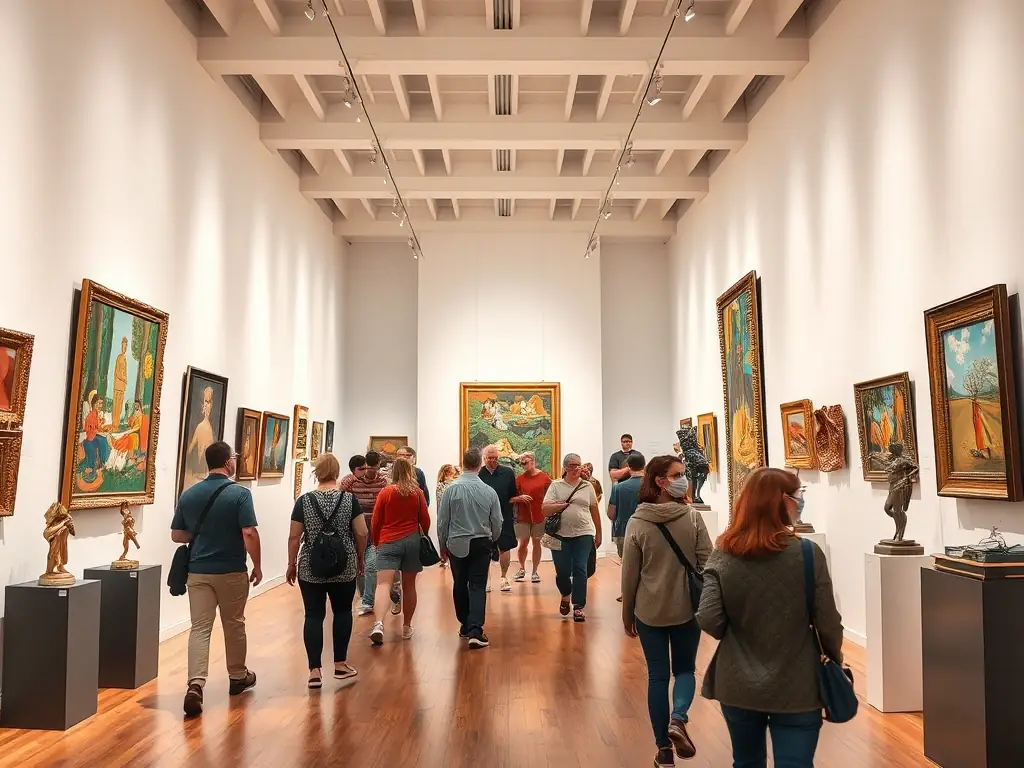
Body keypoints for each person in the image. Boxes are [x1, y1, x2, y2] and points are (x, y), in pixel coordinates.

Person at [696, 467, 845, 768]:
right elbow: (828, 620)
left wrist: (741, 628)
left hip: (737, 679)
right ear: (783, 502)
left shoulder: (723, 553)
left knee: (747, 761)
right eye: (798, 494)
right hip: (798, 680)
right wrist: (834, 657)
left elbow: (709, 617)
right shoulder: (807, 553)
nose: (801, 501)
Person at [621, 455, 713, 766]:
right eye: (678, 474)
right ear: (661, 481)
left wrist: (627, 614)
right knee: (685, 669)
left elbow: (630, 575)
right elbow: (707, 563)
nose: (684, 479)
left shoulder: (637, 522)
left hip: (649, 611)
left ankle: (663, 750)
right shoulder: (692, 518)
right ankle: (678, 718)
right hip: (688, 607)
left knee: (658, 677)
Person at [170, 441, 261, 717]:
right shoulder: (240, 494)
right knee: (234, 624)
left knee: (200, 628)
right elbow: (249, 533)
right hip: (231, 571)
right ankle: (237, 676)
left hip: (198, 572)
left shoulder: (189, 494)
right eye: (233, 457)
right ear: (228, 462)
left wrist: (203, 535)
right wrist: (257, 564)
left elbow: (177, 535)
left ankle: (195, 685)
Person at [286, 453, 367, 688]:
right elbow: (361, 532)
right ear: (337, 472)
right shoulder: (348, 500)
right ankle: (340, 664)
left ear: (316, 472)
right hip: (344, 565)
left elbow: (294, 536)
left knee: (313, 615)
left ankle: (314, 671)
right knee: (342, 612)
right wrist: (360, 557)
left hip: (311, 566)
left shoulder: (304, 500)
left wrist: (291, 563)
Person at [438, 448, 503, 648]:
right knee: (477, 585)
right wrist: (493, 539)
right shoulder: (489, 491)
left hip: (457, 542)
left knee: (459, 584)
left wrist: (442, 545)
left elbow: (442, 522)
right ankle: (476, 630)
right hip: (481, 541)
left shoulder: (451, 490)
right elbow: (497, 521)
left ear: (463, 463)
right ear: (479, 465)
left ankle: (464, 625)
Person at [368, 458, 431, 645]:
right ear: (411, 472)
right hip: (412, 541)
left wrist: (377, 542)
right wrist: (423, 536)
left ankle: (379, 623)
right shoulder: (417, 493)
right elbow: (425, 520)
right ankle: (407, 626)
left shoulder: (386, 492)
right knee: (409, 586)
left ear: (393, 472)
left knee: (383, 585)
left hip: (388, 541)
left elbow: (376, 521)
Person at [542, 453, 602, 622]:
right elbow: (545, 510)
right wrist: (561, 505)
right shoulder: (556, 486)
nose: (576, 468)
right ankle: (565, 595)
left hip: (583, 533)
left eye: (578, 465)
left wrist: (599, 532)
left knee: (580, 569)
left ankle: (578, 606)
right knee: (562, 572)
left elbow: (594, 510)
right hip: (560, 535)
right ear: (566, 467)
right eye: (573, 465)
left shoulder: (587, 486)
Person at [339, 451, 389, 616]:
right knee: (358, 565)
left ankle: (368, 600)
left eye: (376, 469)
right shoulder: (351, 481)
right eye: (370, 469)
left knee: (372, 565)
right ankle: (363, 597)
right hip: (357, 528)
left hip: (376, 528)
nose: (373, 473)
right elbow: (339, 495)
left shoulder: (383, 481)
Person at [479, 444, 518, 593]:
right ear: (484, 458)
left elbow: (513, 495)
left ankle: (503, 577)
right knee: (485, 550)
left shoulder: (507, 472)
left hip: (504, 517)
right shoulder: (478, 475)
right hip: (483, 519)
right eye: (490, 458)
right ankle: (486, 580)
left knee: (505, 547)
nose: (493, 461)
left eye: (495, 458)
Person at [511, 452, 551, 583]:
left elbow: (551, 494)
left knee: (536, 541)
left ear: (533, 461)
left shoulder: (544, 477)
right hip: (523, 516)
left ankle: (535, 571)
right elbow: (511, 497)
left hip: (539, 515)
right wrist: (519, 498)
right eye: (521, 463)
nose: (523, 465)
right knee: (523, 543)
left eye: (525, 462)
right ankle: (522, 568)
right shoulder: (519, 479)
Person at [609, 453, 645, 561]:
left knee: (627, 568)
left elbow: (611, 514)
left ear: (628, 466)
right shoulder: (651, 486)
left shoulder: (618, 488)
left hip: (623, 531)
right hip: (647, 530)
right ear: (643, 465)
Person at [436, 463, 460, 569]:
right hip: (446, 514)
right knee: (443, 537)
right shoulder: (443, 484)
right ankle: (445, 558)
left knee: (448, 537)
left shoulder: (455, 483)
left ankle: (449, 558)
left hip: (451, 515)